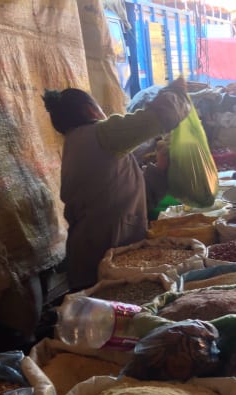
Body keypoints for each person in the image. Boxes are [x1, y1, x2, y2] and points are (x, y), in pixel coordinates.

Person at [42, 79, 191, 291]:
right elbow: (161, 116)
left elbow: (126, 194)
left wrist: (159, 168)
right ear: (91, 110)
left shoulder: (77, 142)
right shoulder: (103, 133)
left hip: (89, 250)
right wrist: (176, 91)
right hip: (107, 251)